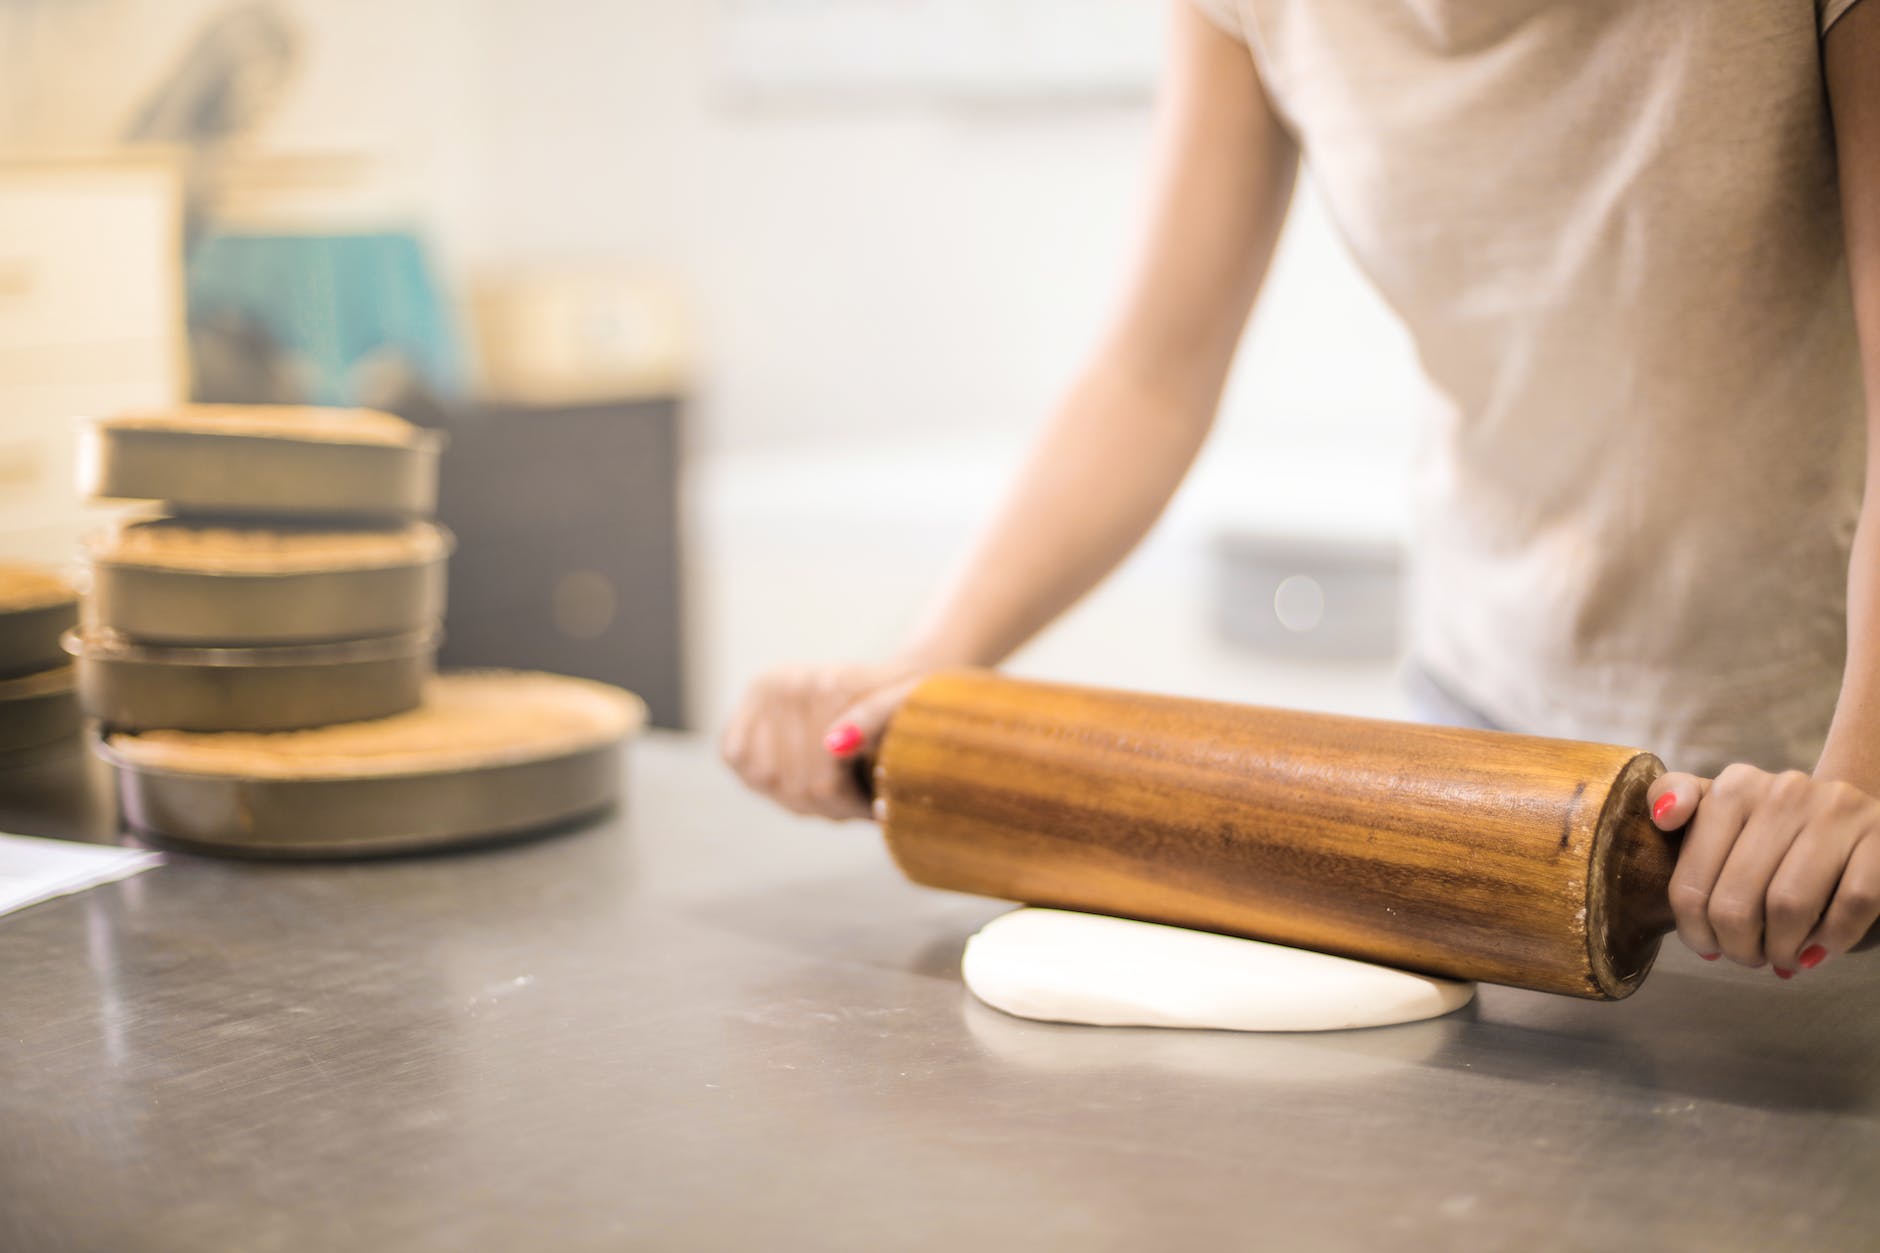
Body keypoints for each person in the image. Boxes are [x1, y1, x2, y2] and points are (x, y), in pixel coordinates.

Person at [724, 1, 1880, 981]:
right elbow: (1150, 374)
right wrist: (935, 654)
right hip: (1483, 748)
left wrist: (1855, 783)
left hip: (1806, 768)